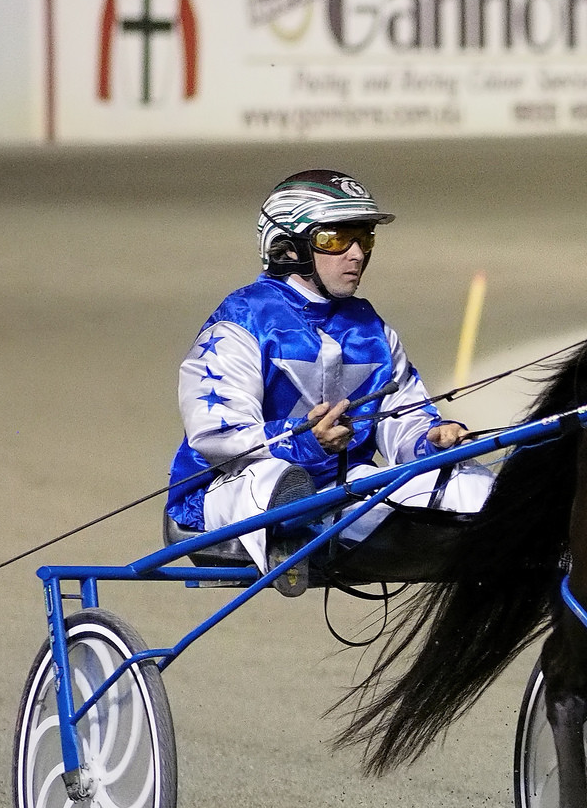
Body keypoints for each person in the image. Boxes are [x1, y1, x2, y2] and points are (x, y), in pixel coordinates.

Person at [165, 168, 493, 593]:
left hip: (345, 491)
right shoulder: (241, 321)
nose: (356, 254)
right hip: (228, 496)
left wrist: (433, 438)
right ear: (288, 247)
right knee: (277, 481)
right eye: (336, 239)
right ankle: (291, 532)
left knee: (472, 484)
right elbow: (216, 434)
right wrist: (304, 441)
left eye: (365, 238)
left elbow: (401, 420)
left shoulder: (371, 329)